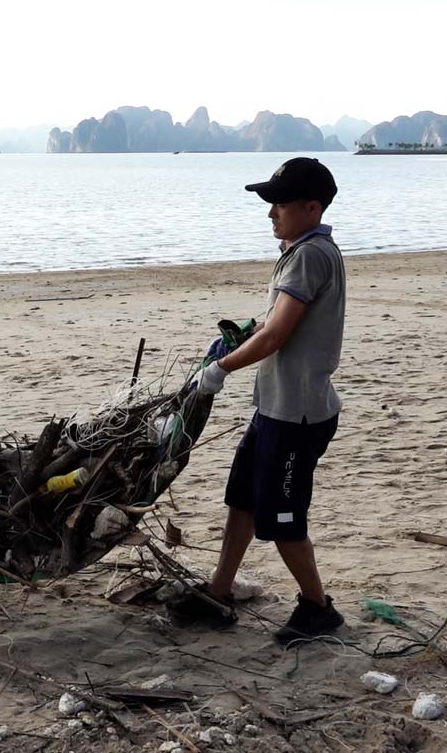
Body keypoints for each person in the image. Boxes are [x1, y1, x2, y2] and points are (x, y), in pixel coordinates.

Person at [182, 157, 346, 645]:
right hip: (274, 407)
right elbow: (271, 321)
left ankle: (318, 608)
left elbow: (276, 335)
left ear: (311, 207)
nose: (271, 213)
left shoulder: (311, 255)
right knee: (243, 500)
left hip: (297, 413)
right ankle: (219, 589)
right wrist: (243, 332)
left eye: (279, 204)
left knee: (282, 518)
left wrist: (220, 369)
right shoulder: (300, 250)